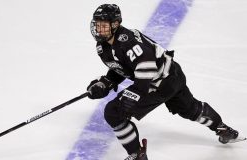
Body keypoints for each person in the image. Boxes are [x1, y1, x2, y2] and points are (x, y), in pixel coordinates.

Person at [86, 4, 245, 160]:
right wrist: (106, 82)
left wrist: (133, 94)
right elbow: (124, 66)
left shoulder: (127, 41)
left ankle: (137, 155)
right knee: (190, 109)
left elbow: (146, 67)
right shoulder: (104, 46)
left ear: (115, 24)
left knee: (113, 112)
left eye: (104, 26)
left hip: (160, 82)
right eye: (97, 25)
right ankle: (223, 129)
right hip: (172, 74)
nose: (99, 29)